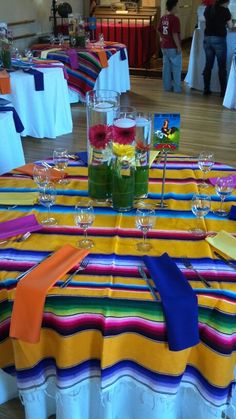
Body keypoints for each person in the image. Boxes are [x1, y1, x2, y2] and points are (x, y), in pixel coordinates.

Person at [202, 0, 234, 97]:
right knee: (222, 67)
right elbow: (231, 26)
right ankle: (223, 92)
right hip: (219, 39)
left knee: (208, 65)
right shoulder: (225, 10)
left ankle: (206, 89)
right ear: (226, 2)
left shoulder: (208, 8)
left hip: (207, 39)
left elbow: (205, 20)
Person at [157, 0, 182, 93]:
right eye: (178, 5)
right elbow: (175, 33)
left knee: (166, 67)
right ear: (174, 7)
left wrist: (164, 38)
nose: (179, 7)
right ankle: (177, 88)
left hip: (164, 46)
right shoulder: (175, 19)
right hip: (172, 46)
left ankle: (166, 87)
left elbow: (158, 30)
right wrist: (178, 46)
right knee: (176, 67)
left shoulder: (163, 17)